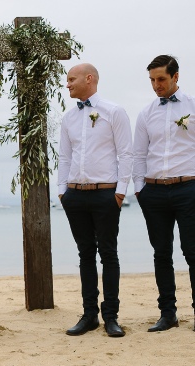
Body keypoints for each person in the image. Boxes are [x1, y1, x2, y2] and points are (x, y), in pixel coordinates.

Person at [58, 63, 132, 337]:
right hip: (75, 195)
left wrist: (120, 192)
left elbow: (126, 153)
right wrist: (62, 191)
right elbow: (64, 157)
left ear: (89, 79)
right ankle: (89, 315)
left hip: (105, 194)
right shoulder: (69, 118)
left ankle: (110, 316)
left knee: (108, 254)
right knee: (85, 254)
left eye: (71, 79)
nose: (67, 84)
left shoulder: (114, 112)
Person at [133, 55, 195, 332]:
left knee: (192, 252)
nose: (156, 85)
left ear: (175, 77)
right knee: (161, 253)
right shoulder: (146, 113)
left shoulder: (192, 107)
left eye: (161, 79)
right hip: (154, 192)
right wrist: (139, 189)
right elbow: (138, 153)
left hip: (189, 188)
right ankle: (167, 313)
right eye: (152, 80)